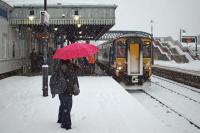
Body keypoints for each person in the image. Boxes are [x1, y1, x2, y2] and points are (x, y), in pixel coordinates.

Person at [57, 60, 80, 130]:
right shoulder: (67, 67)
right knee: (67, 107)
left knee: (63, 105)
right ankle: (66, 124)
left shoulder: (61, 66)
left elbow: (73, 78)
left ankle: (60, 119)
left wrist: (74, 67)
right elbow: (71, 78)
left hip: (61, 90)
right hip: (66, 90)